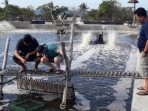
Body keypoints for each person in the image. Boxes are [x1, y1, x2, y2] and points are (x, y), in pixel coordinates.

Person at [134, 7, 148, 95]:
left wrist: (145, 51)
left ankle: (147, 90)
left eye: (137, 18)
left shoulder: (146, 25)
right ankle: (146, 86)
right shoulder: (145, 24)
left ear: (142, 17)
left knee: (146, 71)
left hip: (145, 53)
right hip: (143, 51)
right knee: (143, 70)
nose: (137, 20)